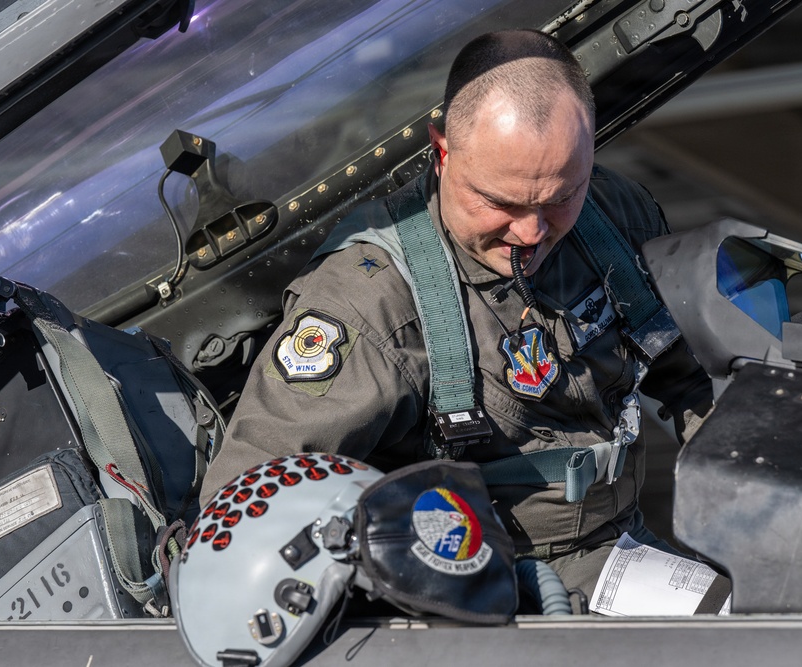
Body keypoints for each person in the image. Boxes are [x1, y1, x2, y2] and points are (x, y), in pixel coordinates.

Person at [201, 29, 713, 599]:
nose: (531, 233)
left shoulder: (614, 218)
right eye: (502, 202)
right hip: (464, 593)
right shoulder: (369, 303)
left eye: (559, 197)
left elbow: (693, 376)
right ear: (442, 154)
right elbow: (244, 505)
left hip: (618, 547)